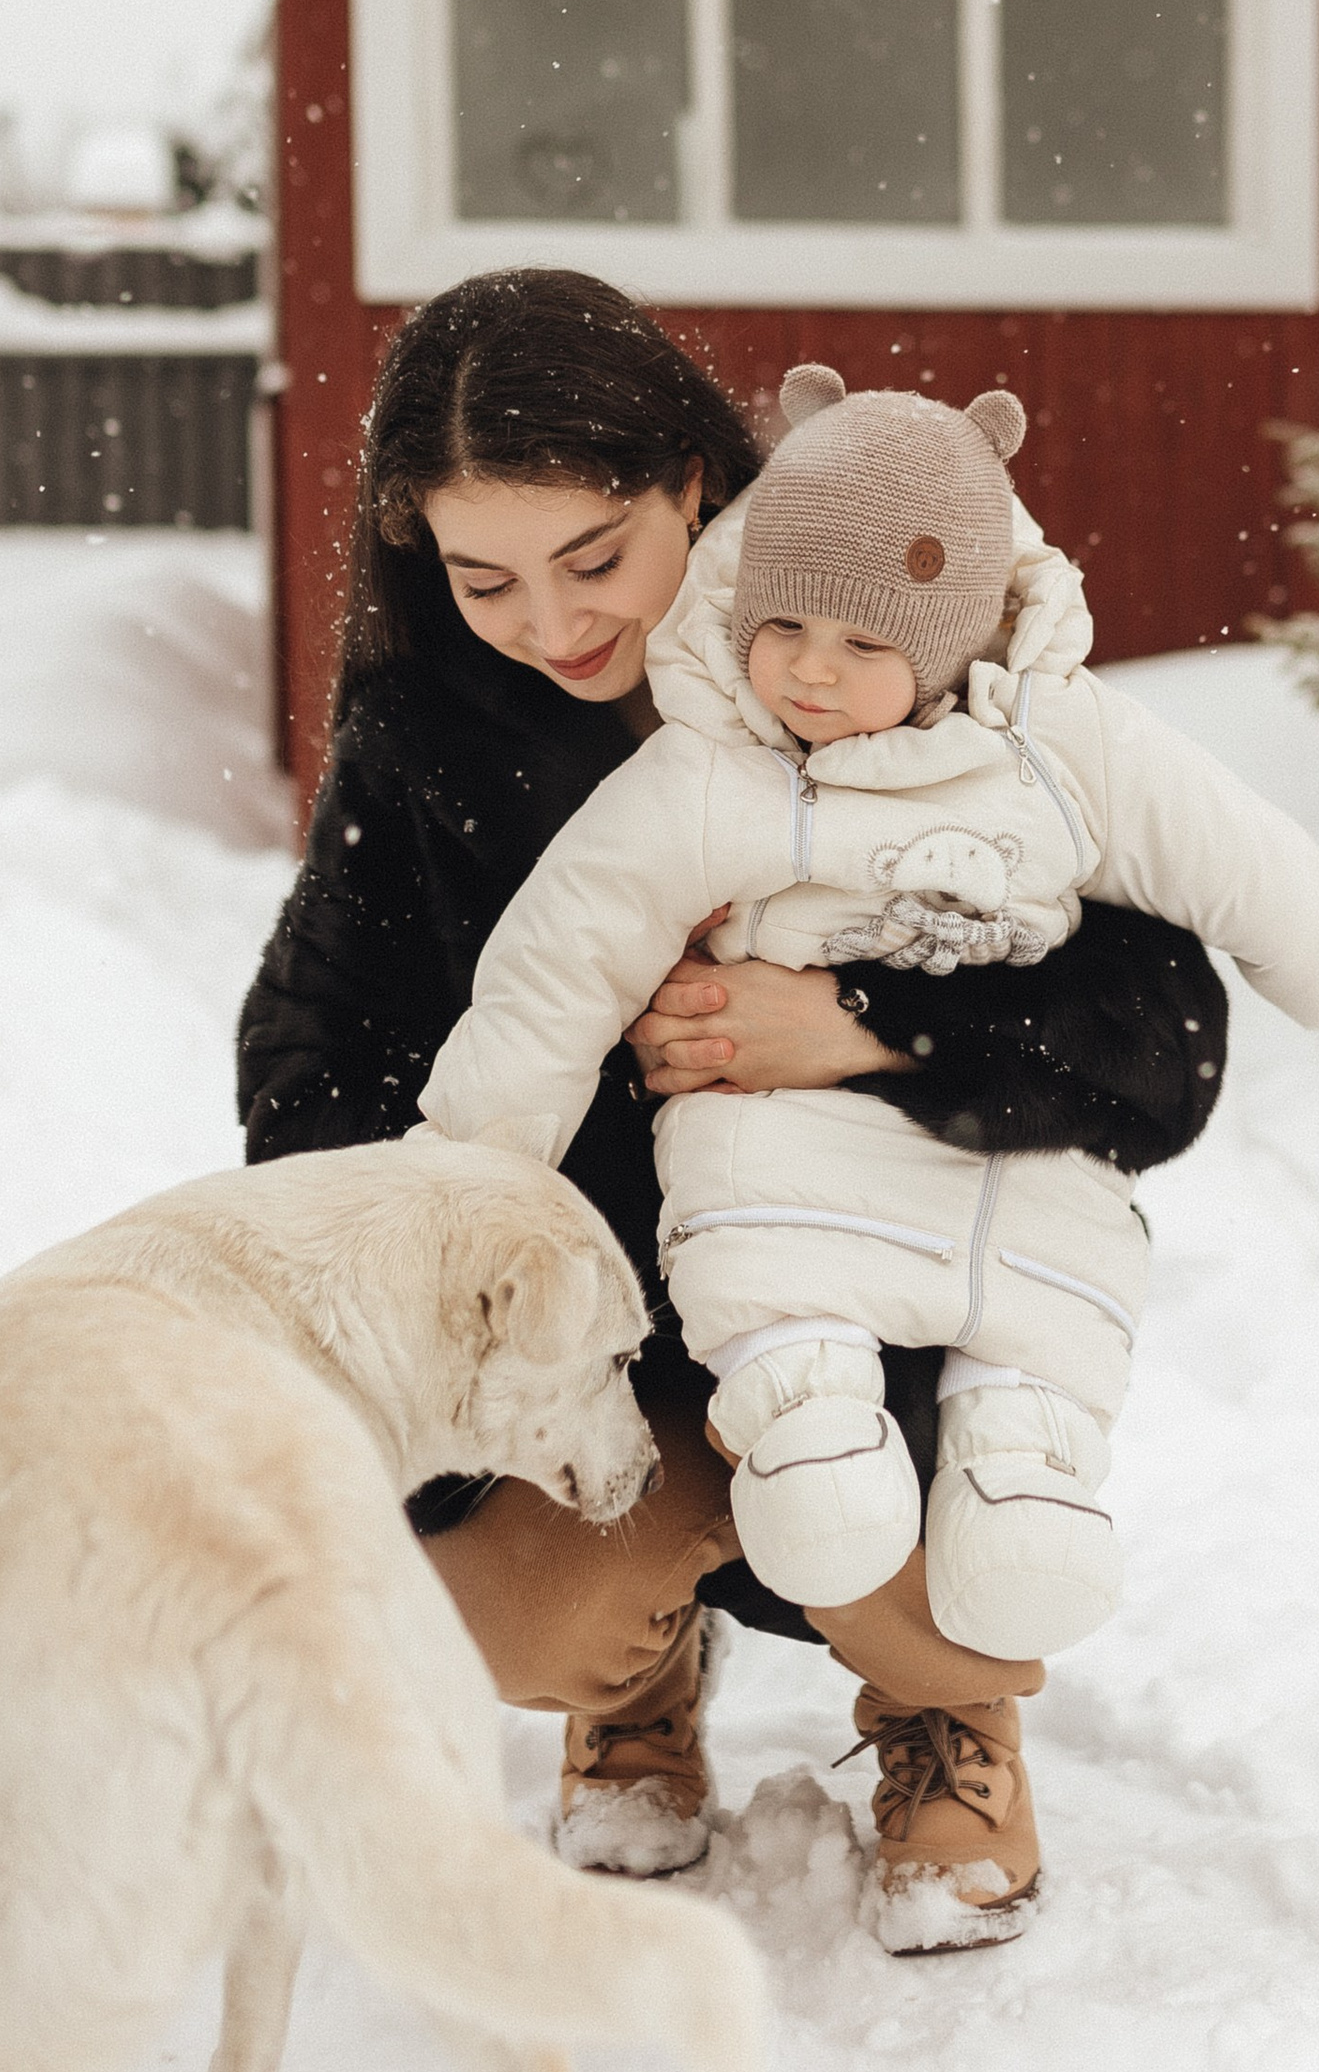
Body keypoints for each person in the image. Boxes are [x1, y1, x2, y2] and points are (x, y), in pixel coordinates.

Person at [237, 270, 1230, 1953]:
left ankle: (945, 1710)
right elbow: (309, 1072)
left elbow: (1163, 1036)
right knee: (518, 1613)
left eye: (593, 559)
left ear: (696, 486)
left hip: (877, 1284)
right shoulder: (423, 737)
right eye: (485, 578)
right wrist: (501, 1193)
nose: (549, 623)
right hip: (612, 1326)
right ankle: (632, 1677)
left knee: (941, 1562)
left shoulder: (900, 630)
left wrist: (862, 1025)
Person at [421, 363, 1319, 1667]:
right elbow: (554, 971)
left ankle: (1025, 1487)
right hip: (788, 1169)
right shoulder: (705, 773)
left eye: (865, 646)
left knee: (1045, 1317)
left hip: (1008, 1176)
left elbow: (1239, 862)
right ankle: (801, 1438)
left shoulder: (1065, 752)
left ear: (954, 642)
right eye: (783, 628)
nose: (806, 674)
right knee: (780, 1308)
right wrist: (467, 1185)